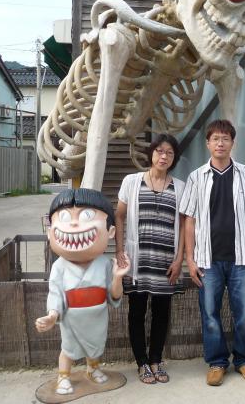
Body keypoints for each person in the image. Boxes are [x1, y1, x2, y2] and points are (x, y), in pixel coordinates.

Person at [179, 119, 245, 386]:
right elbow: (189, 220)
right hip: (207, 261)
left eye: (225, 139)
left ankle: (244, 361)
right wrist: (189, 259)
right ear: (207, 143)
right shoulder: (196, 177)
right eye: (215, 139)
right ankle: (217, 362)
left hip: (242, 258)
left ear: (232, 143)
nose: (220, 143)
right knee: (210, 314)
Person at [35, 188, 130, 395]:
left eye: (87, 215)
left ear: (110, 231)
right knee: (68, 349)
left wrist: (117, 277)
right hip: (72, 317)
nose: (74, 224)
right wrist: (52, 315)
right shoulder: (59, 266)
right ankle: (64, 376)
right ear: (51, 231)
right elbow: (55, 293)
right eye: (65, 217)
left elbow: (114, 296)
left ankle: (92, 368)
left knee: (95, 345)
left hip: (97, 315)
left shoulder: (105, 264)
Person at [115, 134, 185, 384]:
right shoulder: (132, 181)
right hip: (138, 260)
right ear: (151, 154)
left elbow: (185, 225)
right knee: (136, 312)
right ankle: (142, 363)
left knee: (162, 313)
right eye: (159, 151)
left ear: (174, 158)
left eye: (169, 153)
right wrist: (119, 250)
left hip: (166, 261)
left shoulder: (181, 187)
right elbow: (119, 216)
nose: (163, 156)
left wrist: (179, 259)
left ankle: (156, 360)